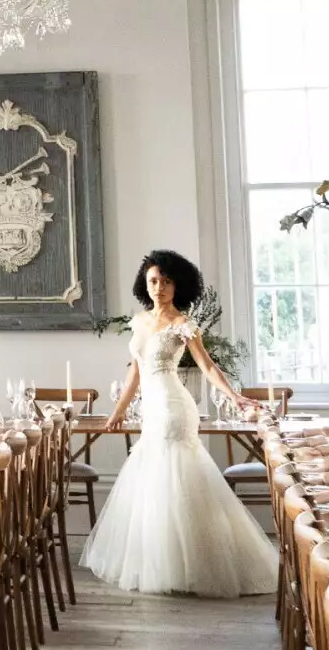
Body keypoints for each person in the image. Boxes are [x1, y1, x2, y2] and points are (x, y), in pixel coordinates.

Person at [79, 249, 277, 597]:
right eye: (154, 280)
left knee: (177, 477)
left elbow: (208, 367)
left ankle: (195, 566)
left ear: (178, 285)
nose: (160, 287)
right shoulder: (140, 321)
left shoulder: (182, 324)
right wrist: (118, 411)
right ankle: (166, 564)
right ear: (145, 283)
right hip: (152, 409)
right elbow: (135, 372)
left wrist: (234, 397)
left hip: (173, 407)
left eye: (167, 282)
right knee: (155, 480)